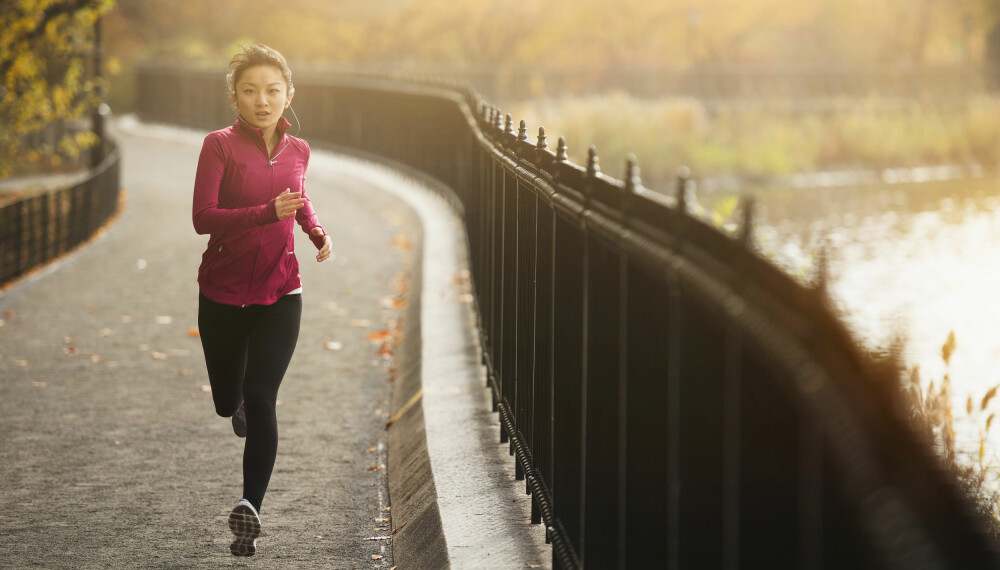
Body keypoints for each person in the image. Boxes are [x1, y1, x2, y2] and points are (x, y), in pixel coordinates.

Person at [191, 43, 331, 557]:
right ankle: (237, 405)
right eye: (250, 91)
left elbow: (299, 195)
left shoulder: (299, 149)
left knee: (263, 395)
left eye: (273, 90)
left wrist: (314, 230)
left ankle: (250, 507)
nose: (262, 100)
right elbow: (202, 217)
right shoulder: (219, 146)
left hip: (280, 290)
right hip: (223, 294)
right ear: (235, 98)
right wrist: (263, 214)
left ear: (288, 95)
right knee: (229, 400)